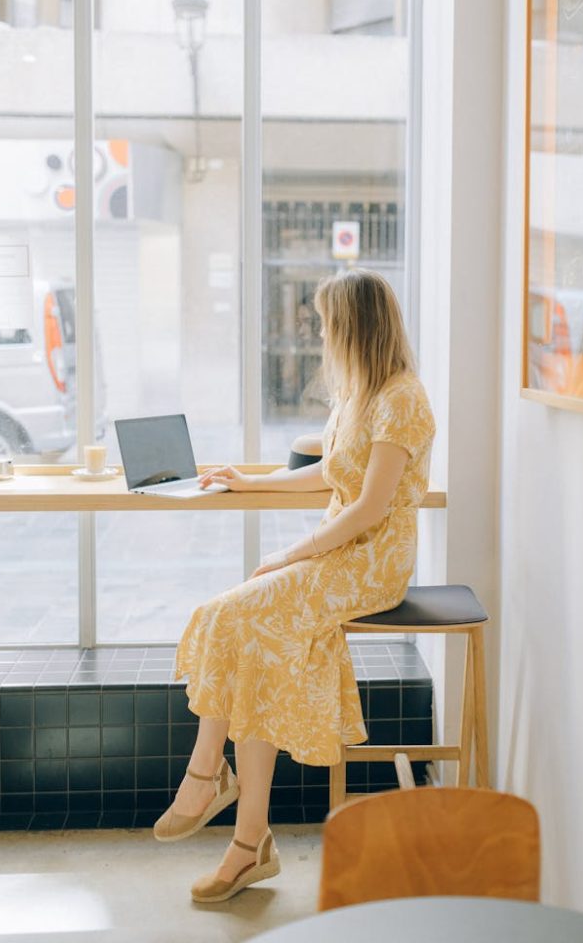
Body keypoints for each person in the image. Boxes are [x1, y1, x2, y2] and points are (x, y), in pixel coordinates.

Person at [153, 267, 436, 903]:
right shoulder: (359, 393)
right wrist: (249, 483)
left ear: (356, 326)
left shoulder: (402, 399)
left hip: (372, 563)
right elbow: (327, 477)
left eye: (328, 321)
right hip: (338, 554)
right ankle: (248, 841)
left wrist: (288, 554)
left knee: (230, 615)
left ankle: (209, 779)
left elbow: (368, 508)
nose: (320, 332)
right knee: (247, 637)